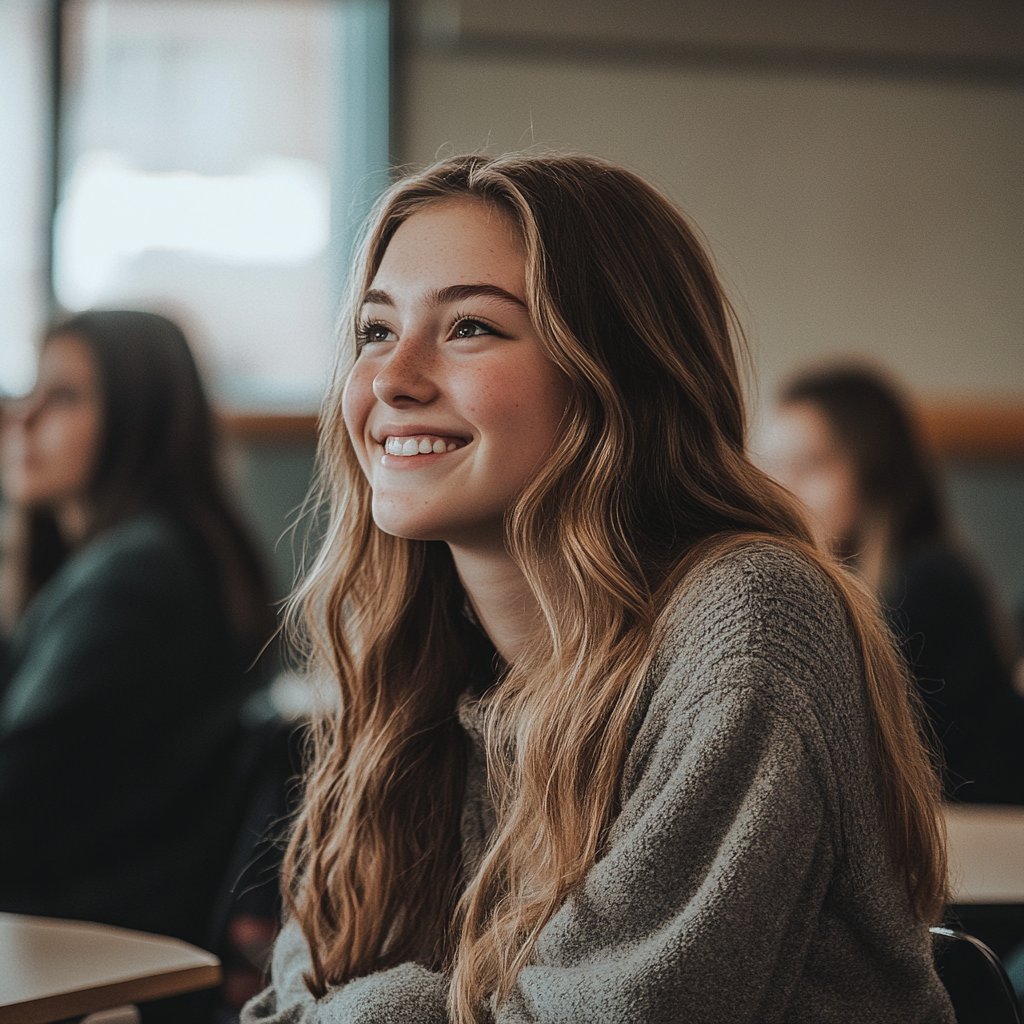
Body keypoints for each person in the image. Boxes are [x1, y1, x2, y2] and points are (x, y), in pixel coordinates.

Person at [243, 154, 954, 1023]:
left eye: (470, 327)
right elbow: (290, 1002)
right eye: (375, 331)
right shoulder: (415, 654)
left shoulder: (750, 620)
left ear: (617, 375)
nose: (392, 379)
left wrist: (379, 1010)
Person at [0, 309, 275, 947]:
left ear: (139, 419)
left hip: (77, 938)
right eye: (28, 392)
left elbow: (15, 804)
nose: (23, 417)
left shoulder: (132, 578)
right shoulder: (164, 555)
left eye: (62, 397)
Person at [764, 364, 1024, 804]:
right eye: (769, 466)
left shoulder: (926, 583)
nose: (780, 487)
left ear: (874, 469)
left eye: (809, 465)